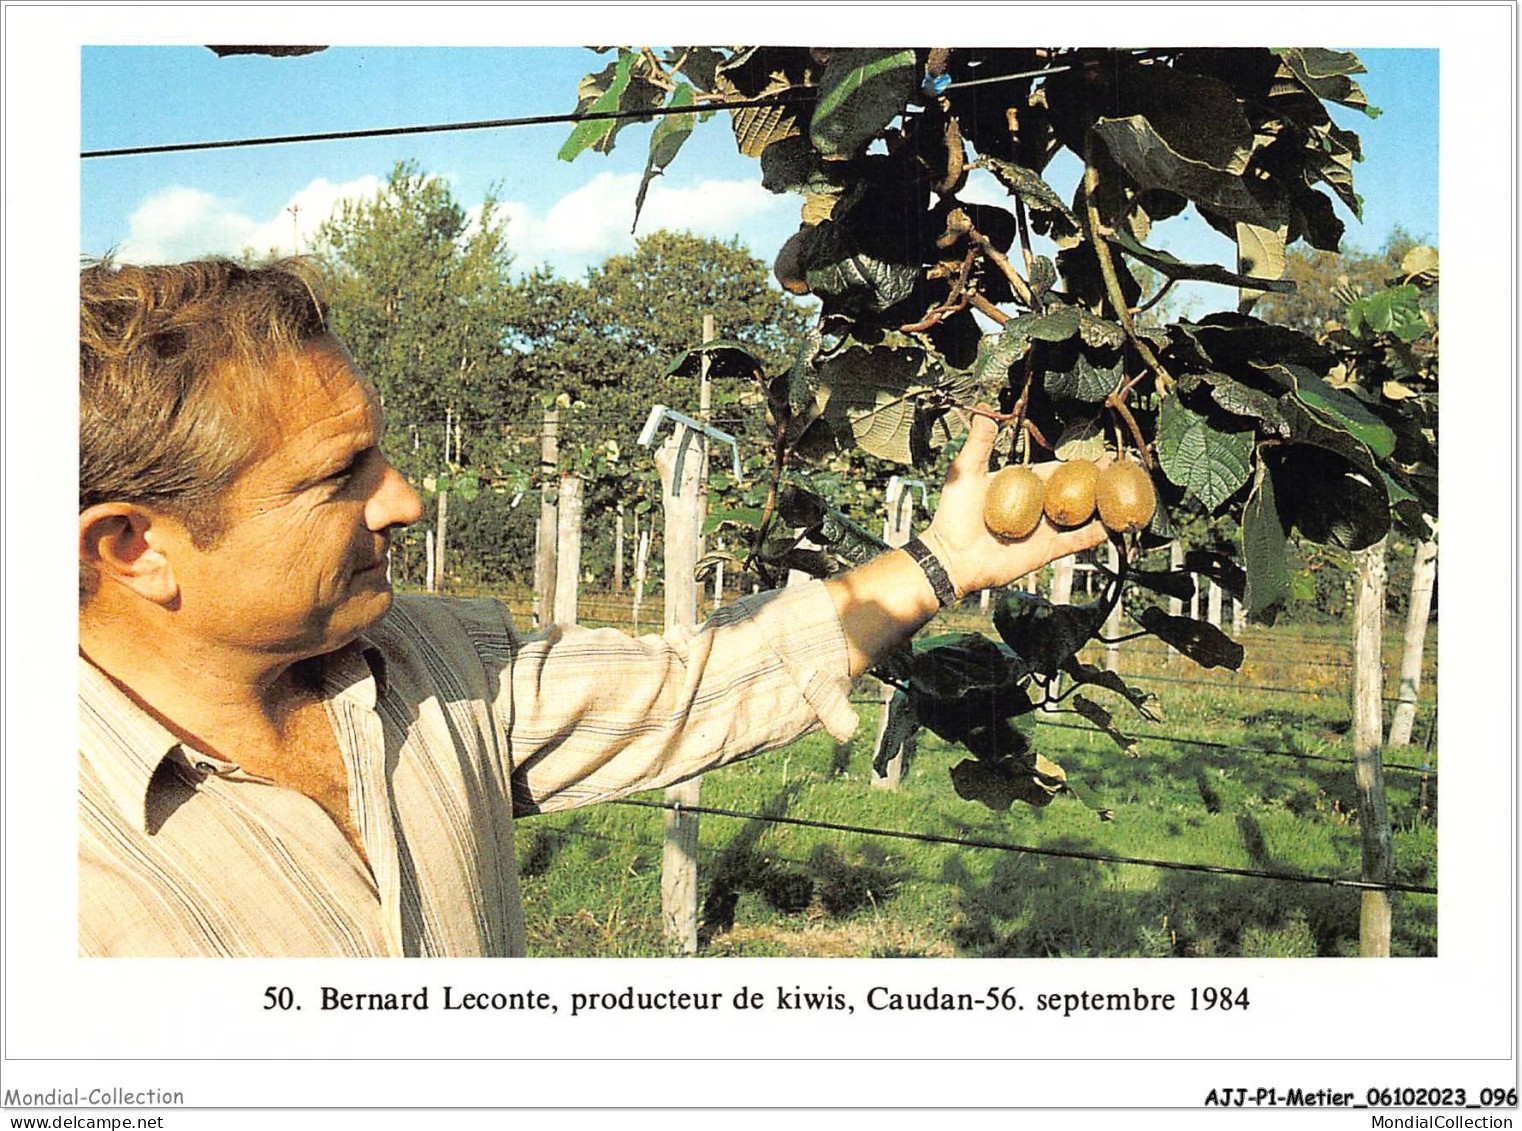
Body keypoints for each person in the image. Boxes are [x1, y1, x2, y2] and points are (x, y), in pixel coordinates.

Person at [78, 257, 1106, 957]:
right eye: (338, 476)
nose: (404, 499)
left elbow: (682, 692)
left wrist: (938, 563)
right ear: (134, 548)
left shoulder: (433, 667)